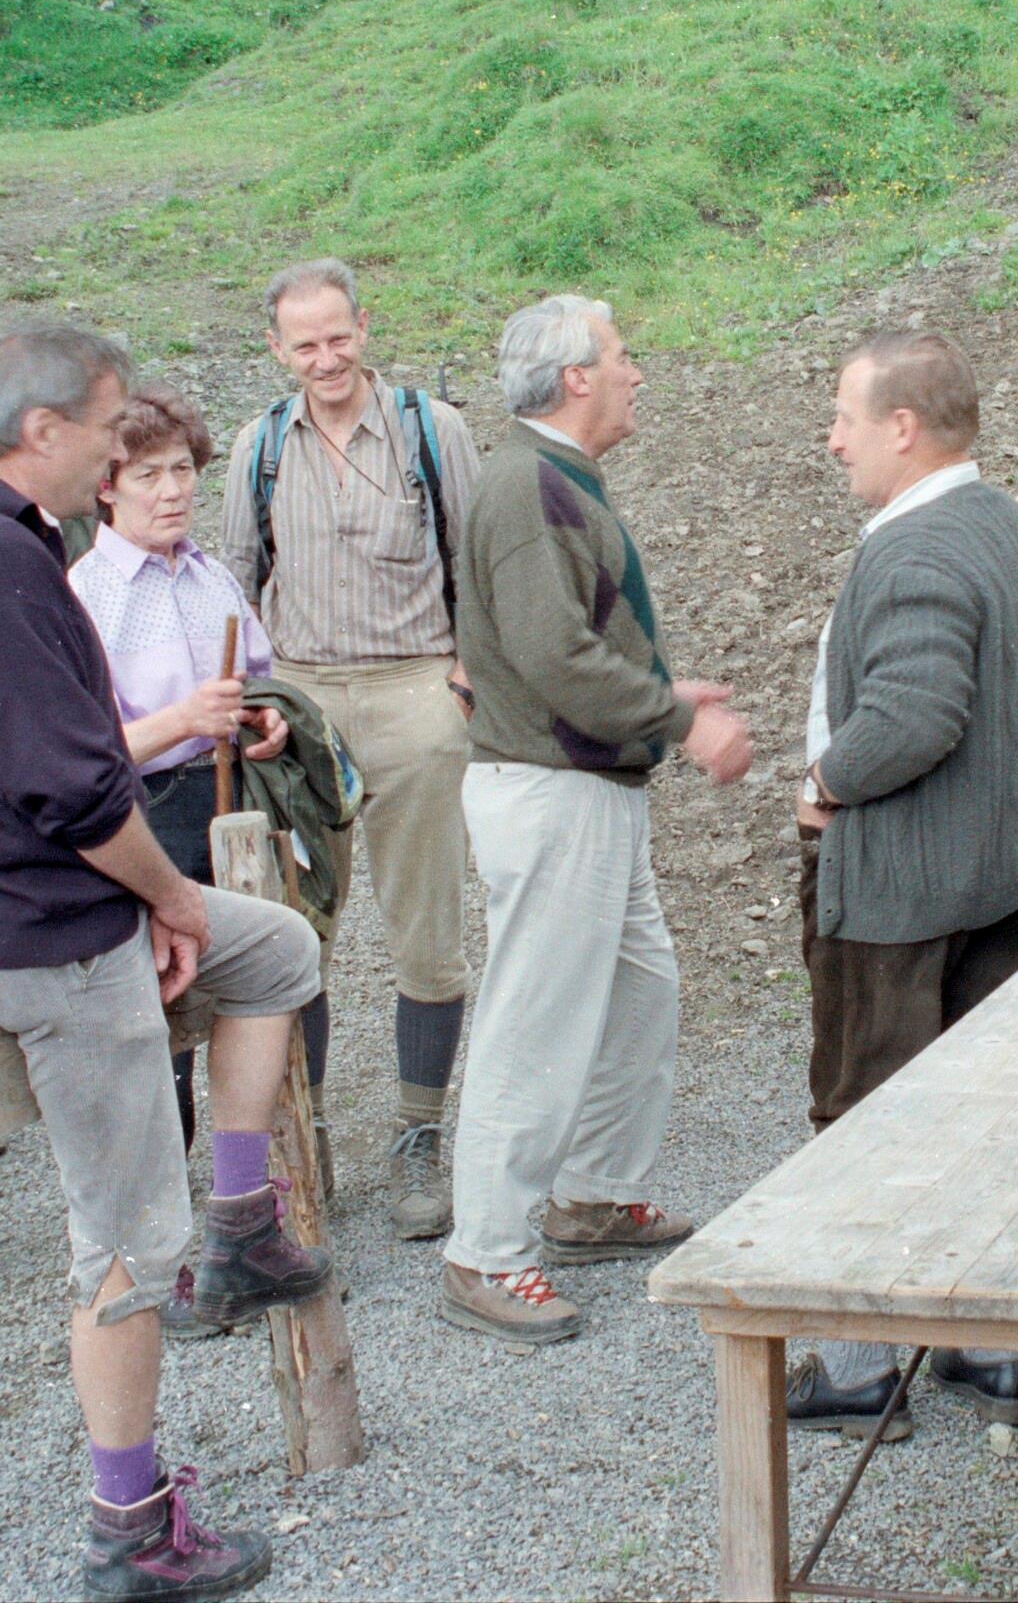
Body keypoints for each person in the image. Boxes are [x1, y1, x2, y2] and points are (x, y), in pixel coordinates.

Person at [0, 326, 333, 1596]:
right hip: (49, 938)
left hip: (49, 902)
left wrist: (175, 907)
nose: (124, 451)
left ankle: (242, 1219)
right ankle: (128, 1521)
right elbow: (72, 791)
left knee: (278, 950)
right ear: (45, 431)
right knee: (122, 1242)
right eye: (110, 425)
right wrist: (168, 896)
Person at [788, 332, 1018, 1440]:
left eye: (845, 417)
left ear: (903, 427)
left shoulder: (913, 549)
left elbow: (915, 713)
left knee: (863, 1111)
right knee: (986, 1110)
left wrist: (826, 781)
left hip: (905, 887)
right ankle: (994, 1349)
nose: (832, 440)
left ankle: (858, 1368)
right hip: (1009, 877)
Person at [438, 295, 752, 1344]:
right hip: (553, 790)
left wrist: (659, 697)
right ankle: (486, 1251)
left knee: (638, 991)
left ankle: (592, 1193)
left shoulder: (549, 476)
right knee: (535, 1020)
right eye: (622, 355)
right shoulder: (531, 485)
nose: (636, 372)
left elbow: (560, 642)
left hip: (583, 786)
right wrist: (679, 720)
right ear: (576, 376)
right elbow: (553, 656)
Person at [221, 259, 481, 1244]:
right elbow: (234, 580)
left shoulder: (431, 430)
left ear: (365, 328)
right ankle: (310, 1129)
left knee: (428, 932)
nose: (326, 359)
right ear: (277, 349)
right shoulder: (258, 447)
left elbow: (477, 561)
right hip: (303, 707)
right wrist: (255, 704)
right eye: (305, 345)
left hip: (417, 695)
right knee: (295, 938)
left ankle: (419, 1134)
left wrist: (464, 679)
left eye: (339, 337)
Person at [67, 382, 292, 1337]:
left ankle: (253, 1220)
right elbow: (79, 752)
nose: (171, 492)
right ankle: (157, 1260)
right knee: (156, 1027)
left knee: (266, 990)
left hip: (230, 809)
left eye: (182, 473)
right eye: (148, 476)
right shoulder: (84, 595)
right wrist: (180, 722)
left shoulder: (212, 578)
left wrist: (267, 722)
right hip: (138, 820)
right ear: (104, 488)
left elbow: (262, 682)